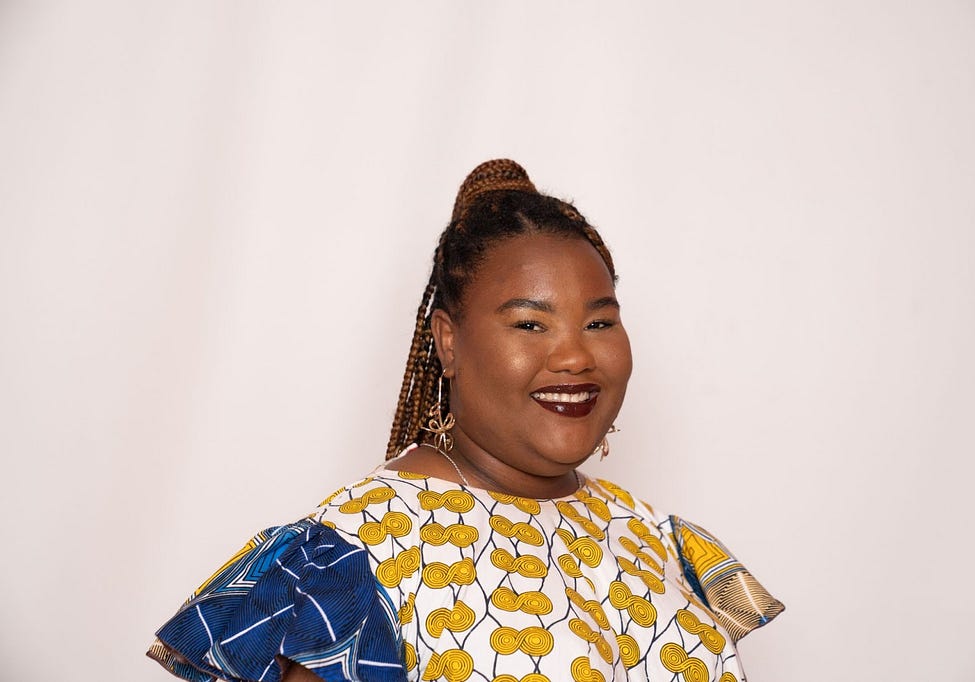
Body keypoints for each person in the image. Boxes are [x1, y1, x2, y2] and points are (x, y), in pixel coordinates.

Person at [148, 159, 784, 682]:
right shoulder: (357, 557)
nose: (574, 355)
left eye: (599, 322)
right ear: (448, 341)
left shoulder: (654, 538)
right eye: (530, 324)